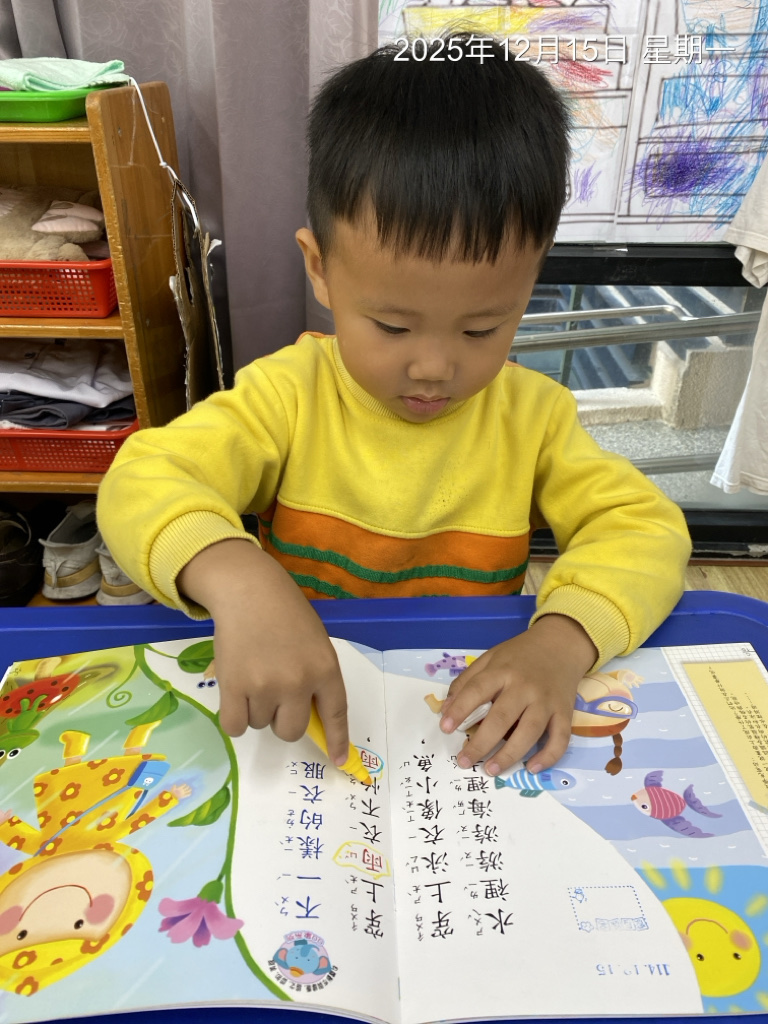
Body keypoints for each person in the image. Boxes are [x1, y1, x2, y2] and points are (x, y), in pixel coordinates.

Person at [97, 34, 691, 780]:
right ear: (320, 268)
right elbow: (142, 478)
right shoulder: (288, 396)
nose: (434, 367)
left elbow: (644, 529)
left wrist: (564, 639)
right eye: (393, 326)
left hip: (457, 720)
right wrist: (238, 578)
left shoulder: (533, 418)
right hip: (305, 710)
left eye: (482, 329)